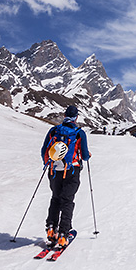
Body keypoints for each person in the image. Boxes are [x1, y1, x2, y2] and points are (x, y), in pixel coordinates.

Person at [40, 105, 90, 247]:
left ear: (64, 115)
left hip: (54, 171)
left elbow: (44, 149)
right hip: (71, 171)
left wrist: (49, 165)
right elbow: (85, 156)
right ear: (76, 117)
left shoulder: (54, 130)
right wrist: (87, 155)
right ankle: (63, 234)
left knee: (55, 198)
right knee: (67, 201)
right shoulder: (79, 133)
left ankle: (51, 229)